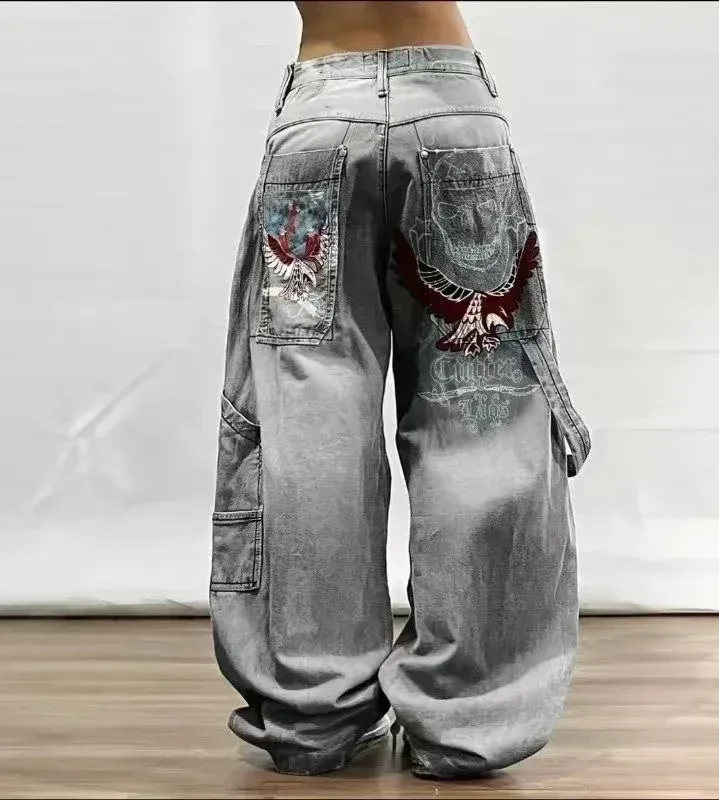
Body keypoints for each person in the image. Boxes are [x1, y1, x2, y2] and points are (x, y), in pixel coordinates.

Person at [208, 0, 591, 780]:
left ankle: (312, 710)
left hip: (319, 126)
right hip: (455, 122)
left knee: (306, 429)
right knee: (481, 419)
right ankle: (470, 718)